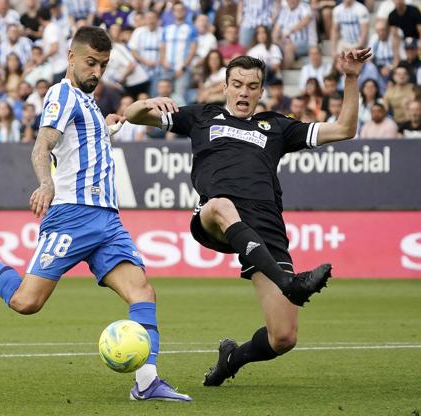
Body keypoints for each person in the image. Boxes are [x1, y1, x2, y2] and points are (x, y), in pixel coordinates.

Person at [0, 26, 192, 402]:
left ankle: (147, 382)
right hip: (71, 215)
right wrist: (45, 183)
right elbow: (43, 144)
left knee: (143, 292)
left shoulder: (89, 105)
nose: (97, 72)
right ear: (71, 57)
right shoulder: (61, 94)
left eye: (103, 65)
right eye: (90, 63)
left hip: (107, 220)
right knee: (26, 302)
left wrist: (118, 122)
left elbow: (89, 142)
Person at [125, 49, 371, 386]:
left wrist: (352, 77)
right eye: (237, 84)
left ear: (260, 91)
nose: (244, 92)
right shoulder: (202, 116)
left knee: (283, 337)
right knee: (220, 205)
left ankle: (231, 359)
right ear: (225, 86)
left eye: (252, 86)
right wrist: (150, 101)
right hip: (214, 215)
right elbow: (134, 116)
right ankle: (290, 284)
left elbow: (345, 128)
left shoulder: (278, 127)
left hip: (266, 225)